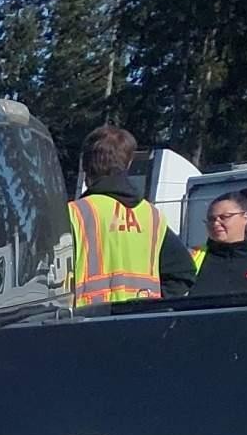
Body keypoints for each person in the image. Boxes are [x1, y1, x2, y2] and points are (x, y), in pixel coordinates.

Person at [67, 125, 195, 308]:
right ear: (128, 163)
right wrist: (153, 303)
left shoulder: (75, 213)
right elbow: (183, 272)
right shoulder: (152, 216)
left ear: (84, 165)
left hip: (87, 324)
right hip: (139, 324)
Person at [190, 189, 247, 298]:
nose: (216, 223)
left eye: (224, 217)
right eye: (211, 219)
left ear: (245, 217)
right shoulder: (190, 257)